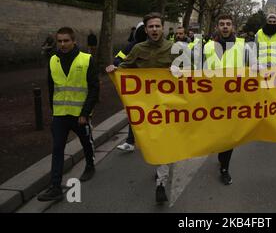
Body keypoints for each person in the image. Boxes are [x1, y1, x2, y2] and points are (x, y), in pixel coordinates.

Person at [106, 13, 177, 204]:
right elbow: (126, 67)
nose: (154, 30)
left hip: (169, 105)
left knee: (165, 143)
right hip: (148, 108)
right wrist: (116, 69)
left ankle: (161, 183)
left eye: (157, 26)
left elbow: (191, 70)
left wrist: (180, 71)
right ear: (145, 30)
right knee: (155, 142)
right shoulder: (138, 49)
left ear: (163, 28)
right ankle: (160, 168)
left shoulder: (175, 49)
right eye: (151, 27)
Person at [38, 27, 99, 202]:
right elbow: (51, 88)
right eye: (60, 41)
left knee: (86, 142)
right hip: (60, 114)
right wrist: (53, 112)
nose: (63, 44)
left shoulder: (86, 59)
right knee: (57, 148)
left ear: (74, 41)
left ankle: (90, 165)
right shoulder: (52, 60)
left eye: (66, 41)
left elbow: (94, 88)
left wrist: (85, 113)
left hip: (80, 114)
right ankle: (55, 186)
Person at [203, 14, 254, 186]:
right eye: (222, 24)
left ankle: (224, 168)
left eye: (228, 24)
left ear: (233, 27)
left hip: (234, 99)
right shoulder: (208, 46)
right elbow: (199, 71)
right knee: (219, 135)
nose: (225, 27)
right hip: (214, 99)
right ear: (217, 26)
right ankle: (221, 153)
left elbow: (253, 67)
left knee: (230, 136)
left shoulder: (243, 45)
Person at [114, 22, 148, 152]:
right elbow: (117, 59)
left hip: (155, 88)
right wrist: (126, 64)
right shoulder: (132, 46)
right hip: (137, 87)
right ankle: (130, 141)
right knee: (135, 113)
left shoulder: (157, 47)